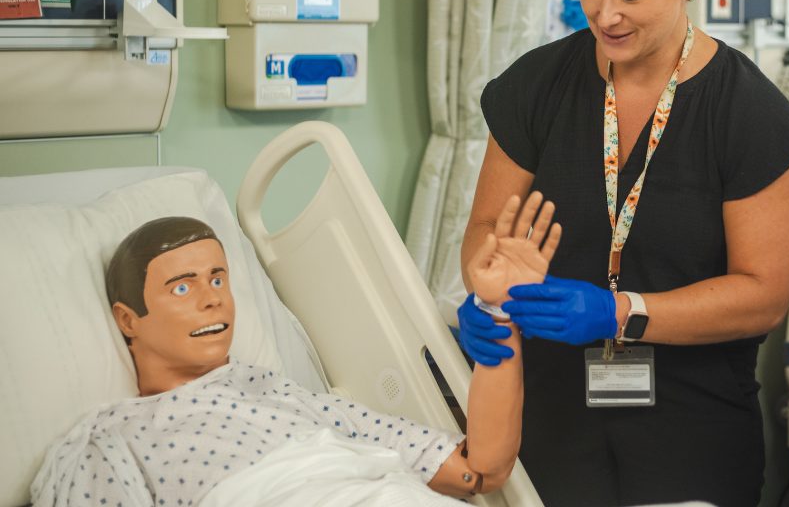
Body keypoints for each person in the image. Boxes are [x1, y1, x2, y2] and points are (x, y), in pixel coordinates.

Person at [456, 0, 789, 507]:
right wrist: (487, 298)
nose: (606, 14)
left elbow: (763, 295)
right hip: (553, 416)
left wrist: (622, 313)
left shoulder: (747, 114)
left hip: (691, 429)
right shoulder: (538, 87)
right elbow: (488, 231)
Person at [34, 192, 560, 506]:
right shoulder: (113, 440)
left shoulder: (285, 395)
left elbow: (480, 469)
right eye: (181, 286)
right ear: (128, 320)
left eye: (219, 279)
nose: (212, 301)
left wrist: (500, 314)